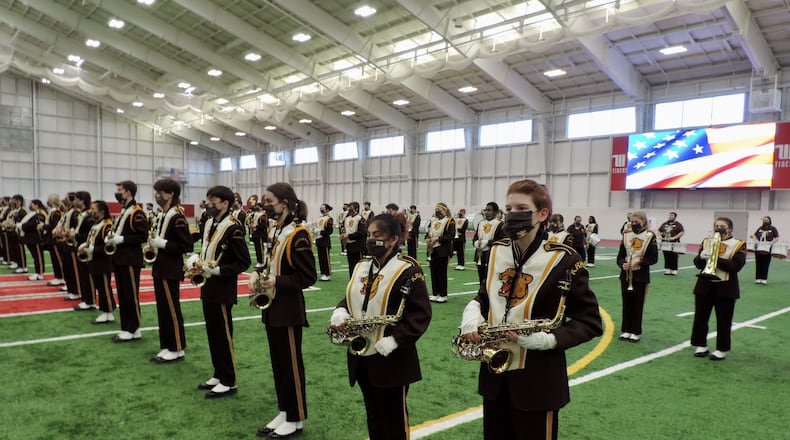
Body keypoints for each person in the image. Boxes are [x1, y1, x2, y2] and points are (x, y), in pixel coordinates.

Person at [458, 179, 602, 440]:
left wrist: (547, 340)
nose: (512, 215)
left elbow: (590, 321)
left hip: (538, 381)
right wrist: (472, 313)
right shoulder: (496, 251)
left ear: (542, 214)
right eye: (509, 208)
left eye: (521, 208)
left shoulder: (565, 259)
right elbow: (485, 296)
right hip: (495, 377)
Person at [328, 213, 432, 440]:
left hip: (392, 358)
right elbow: (352, 296)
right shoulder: (362, 265)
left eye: (377, 235)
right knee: (374, 416)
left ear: (393, 240)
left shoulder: (408, 269)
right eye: (369, 235)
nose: (370, 239)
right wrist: (341, 310)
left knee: (393, 421)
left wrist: (396, 339)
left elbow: (420, 314)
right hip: (362, 356)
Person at [249, 182, 316, 438]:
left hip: (288, 309)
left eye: (269, 200)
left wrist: (276, 281)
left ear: (285, 203)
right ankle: (285, 410)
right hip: (273, 307)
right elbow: (271, 264)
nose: (265, 205)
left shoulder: (298, 234)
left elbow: (308, 277)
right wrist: (258, 275)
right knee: (278, 364)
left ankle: (296, 416)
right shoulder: (278, 229)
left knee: (290, 365)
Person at [193, 185, 251, 398]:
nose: (208, 204)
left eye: (213, 200)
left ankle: (229, 379)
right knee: (213, 333)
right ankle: (218, 373)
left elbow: (244, 261)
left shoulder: (233, 227)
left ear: (225, 203)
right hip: (207, 286)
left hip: (222, 287)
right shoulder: (209, 222)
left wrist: (219, 270)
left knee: (223, 335)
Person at [149, 179, 194, 363]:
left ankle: (176, 347)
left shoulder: (177, 217)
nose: (158, 195)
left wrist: (163, 244)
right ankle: (167, 345)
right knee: (163, 309)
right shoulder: (163, 214)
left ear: (171, 194)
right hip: (160, 267)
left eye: (161, 192)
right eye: (157, 191)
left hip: (170, 269)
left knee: (171, 309)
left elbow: (186, 245)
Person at [691, 217, 746, 360]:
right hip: (704, 285)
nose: (719, 228)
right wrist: (702, 256)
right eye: (716, 225)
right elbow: (697, 264)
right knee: (700, 317)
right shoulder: (707, 241)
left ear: (730, 229)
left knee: (724, 320)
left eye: (722, 226)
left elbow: (736, 266)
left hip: (726, 287)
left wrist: (715, 258)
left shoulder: (739, 245)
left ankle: (721, 349)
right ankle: (700, 345)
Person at [106, 181, 149, 342]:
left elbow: (142, 236)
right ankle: (127, 328)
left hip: (130, 259)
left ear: (129, 192)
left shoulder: (136, 212)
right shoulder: (125, 211)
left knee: (130, 295)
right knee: (123, 295)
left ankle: (133, 328)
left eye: (120, 190)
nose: (117, 193)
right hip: (120, 258)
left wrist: (121, 239)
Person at [616, 211, 658, 342]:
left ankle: (635, 331)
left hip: (641, 276)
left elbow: (653, 258)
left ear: (644, 222)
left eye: (636, 222)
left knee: (638, 304)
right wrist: (623, 264)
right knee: (626, 303)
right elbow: (620, 256)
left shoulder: (650, 236)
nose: (634, 224)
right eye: (632, 222)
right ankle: (626, 330)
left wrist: (638, 261)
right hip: (626, 275)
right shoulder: (626, 235)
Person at [80, 201, 116, 324]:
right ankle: (105, 310)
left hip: (103, 261)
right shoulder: (97, 224)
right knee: (99, 286)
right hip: (94, 260)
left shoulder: (107, 225)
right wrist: (85, 245)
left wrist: (93, 249)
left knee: (104, 287)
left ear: (102, 211)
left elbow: (108, 246)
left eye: (94, 209)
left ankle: (108, 312)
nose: (92, 211)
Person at [71, 191, 97, 311]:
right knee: (82, 274)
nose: (74, 201)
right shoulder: (80, 214)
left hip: (86, 248)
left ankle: (90, 300)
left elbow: (89, 234)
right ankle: (85, 298)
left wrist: (75, 236)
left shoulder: (89, 216)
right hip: (79, 247)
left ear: (82, 201)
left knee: (88, 275)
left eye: (76, 199)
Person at [425, 203, 455, 303]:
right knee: (433, 272)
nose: (437, 211)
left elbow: (450, 236)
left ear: (445, 210)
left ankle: (443, 294)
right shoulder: (433, 221)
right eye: (436, 209)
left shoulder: (449, 221)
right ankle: (435, 293)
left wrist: (437, 239)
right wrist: (428, 239)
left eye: (439, 210)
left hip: (442, 250)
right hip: (432, 250)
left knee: (441, 273)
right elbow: (428, 233)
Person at [472, 202, 504, 285]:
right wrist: (476, 243)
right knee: (481, 278)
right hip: (480, 255)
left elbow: (502, 240)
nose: (486, 212)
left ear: (495, 212)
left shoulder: (500, 224)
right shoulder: (481, 223)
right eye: (486, 210)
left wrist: (487, 243)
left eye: (489, 210)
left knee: (490, 280)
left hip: (492, 255)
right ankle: (482, 297)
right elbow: (475, 237)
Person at [40, 194, 65, 286]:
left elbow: (53, 226)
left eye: (49, 200)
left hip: (55, 239)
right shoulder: (52, 212)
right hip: (51, 239)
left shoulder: (56, 213)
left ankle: (61, 277)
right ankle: (57, 276)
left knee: (58, 259)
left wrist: (44, 226)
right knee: (54, 258)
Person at [19, 199, 47, 280]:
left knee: (38, 255)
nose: (30, 206)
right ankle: (37, 271)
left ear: (37, 205)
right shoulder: (32, 214)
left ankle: (40, 272)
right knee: (35, 256)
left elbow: (35, 224)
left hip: (36, 238)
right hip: (30, 238)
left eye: (32, 204)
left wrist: (23, 226)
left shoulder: (40, 213)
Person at [341, 202, 367, 277]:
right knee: (351, 266)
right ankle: (352, 280)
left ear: (356, 209)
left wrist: (349, 235)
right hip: (349, 245)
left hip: (358, 246)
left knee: (358, 266)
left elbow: (362, 233)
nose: (349, 210)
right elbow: (343, 228)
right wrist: (343, 234)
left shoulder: (361, 219)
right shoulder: (347, 218)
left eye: (351, 208)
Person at [752, 216, 779, 284]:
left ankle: (764, 278)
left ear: (769, 221)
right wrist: (756, 241)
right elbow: (754, 235)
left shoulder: (772, 229)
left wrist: (771, 242)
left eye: (766, 220)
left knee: (766, 263)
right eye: (764, 220)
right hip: (759, 248)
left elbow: (776, 237)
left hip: (768, 248)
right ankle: (758, 278)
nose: (765, 221)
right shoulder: (760, 228)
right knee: (758, 262)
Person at [315, 203, 334, 281]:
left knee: (325, 259)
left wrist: (320, 231)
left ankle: (327, 274)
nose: (321, 209)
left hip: (325, 241)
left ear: (327, 209)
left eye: (323, 208)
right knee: (321, 258)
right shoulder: (319, 218)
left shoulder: (329, 219)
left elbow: (329, 231)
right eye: (321, 208)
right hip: (319, 240)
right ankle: (323, 273)